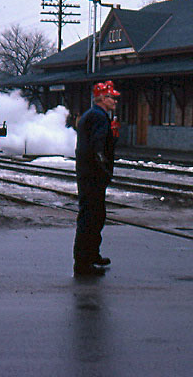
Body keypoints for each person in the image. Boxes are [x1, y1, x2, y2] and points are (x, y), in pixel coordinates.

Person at [73, 80, 120, 276]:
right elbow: (98, 145)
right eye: (112, 98)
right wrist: (104, 169)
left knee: (92, 215)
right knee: (93, 216)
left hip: (87, 173)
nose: (115, 102)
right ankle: (85, 261)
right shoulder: (99, 117)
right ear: (102, 99)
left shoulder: (89, 115)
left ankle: (90, 255)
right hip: (93, 175)